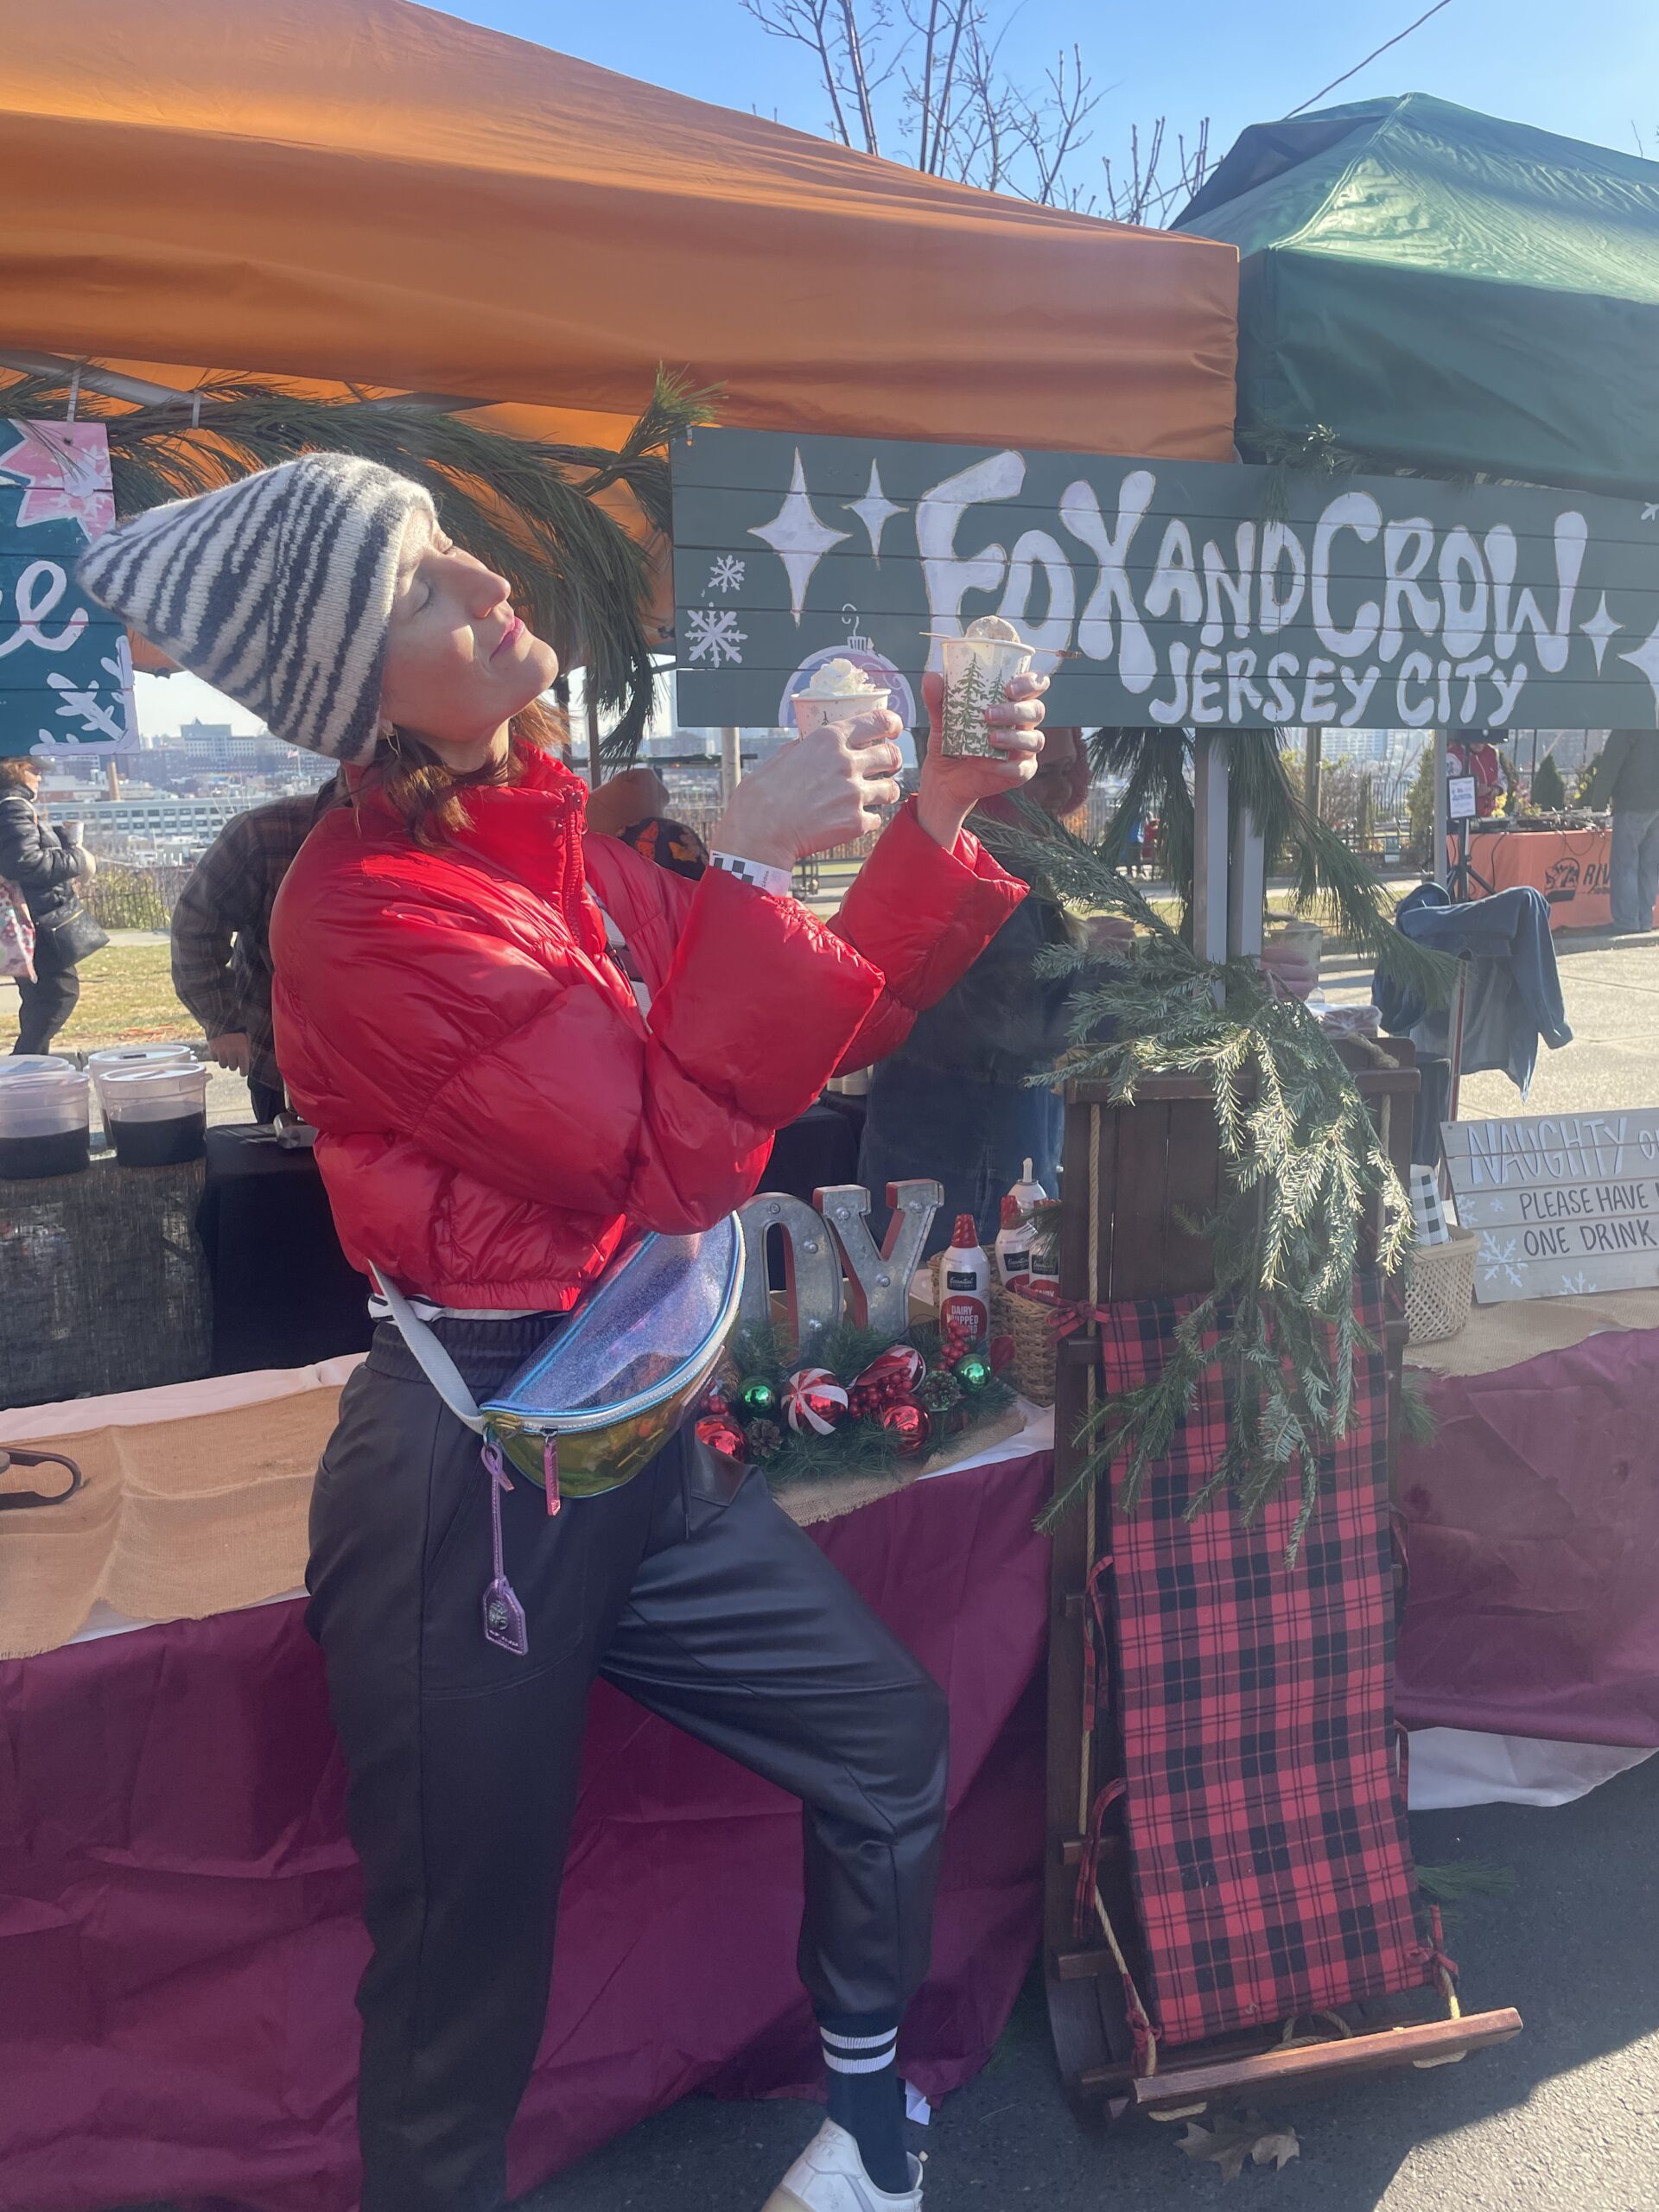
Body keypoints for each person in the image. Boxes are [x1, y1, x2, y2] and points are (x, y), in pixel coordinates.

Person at [79, 453, 1046, 2212]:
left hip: (634, 1431)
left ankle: (867, 2131)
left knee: (887, 1737)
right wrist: (747, 857)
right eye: (433, 583)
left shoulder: (572, 834)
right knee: (464, 1969)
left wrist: (936, 820)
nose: (490, 585)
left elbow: (798, 1037)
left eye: (465, 549)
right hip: (473, 1482)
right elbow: (665, 1156)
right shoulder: (354, 914)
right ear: (356, 684)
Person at [857, 727, 1097, 1253]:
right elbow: (1020, 1016)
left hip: (950, 1141)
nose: (1063, 792)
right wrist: (1137, 989)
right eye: (1048, 774)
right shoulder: (991, 868)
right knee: (974, 1316)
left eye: (1067, 770)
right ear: (1001, 781)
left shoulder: (975, 848)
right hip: (969, 1159)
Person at [169, 779, 342, 1122]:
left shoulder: (438, 830)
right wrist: (223, 1021)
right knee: (285, 1170)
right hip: (281, 1059)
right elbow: (196, 925)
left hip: (399, 1070)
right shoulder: (267, 832)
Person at [0, 756, 99, 1055]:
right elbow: (22, 862)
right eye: (33, 768)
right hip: (36, 918)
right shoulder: (13, 806)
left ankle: (29, 1067)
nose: (40, 774)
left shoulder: (12, 805)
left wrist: (55, 836)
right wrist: (77, 860)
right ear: (13, 769)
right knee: (57, 994)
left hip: (30, 919)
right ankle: (23, 1067)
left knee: (41, 998)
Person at [1585, 729, 1659, 933]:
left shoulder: (1627, 726)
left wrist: (1598, 804)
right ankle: (1645, 921)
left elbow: (1610, 764)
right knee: (1649, 868)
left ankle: (1627, 922)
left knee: (1625, 865)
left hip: (1632, 803)